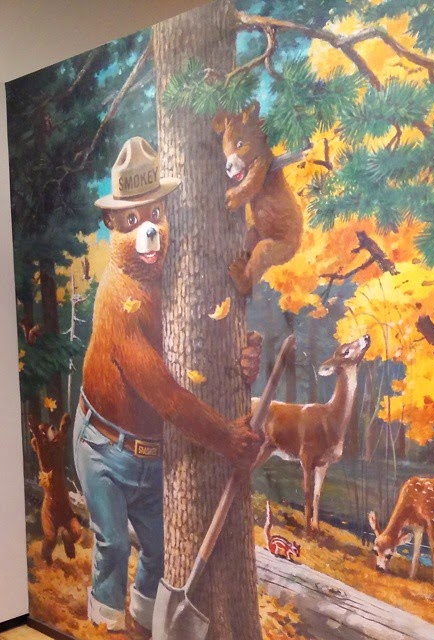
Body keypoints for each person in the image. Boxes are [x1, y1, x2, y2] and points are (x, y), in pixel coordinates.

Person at [73, 136, 260, 632]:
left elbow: (210, 340)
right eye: (132, 221)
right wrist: (226, 436)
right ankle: (105, 621)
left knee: (160, 551)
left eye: (156, 215)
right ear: (112, 226)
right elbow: (167, 396)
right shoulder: (118, 298)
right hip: (104, 446)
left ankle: (144, 618)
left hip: (153, 455)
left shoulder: (178, 275)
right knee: (113, 544)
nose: (150, 230)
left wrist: (242, 355)